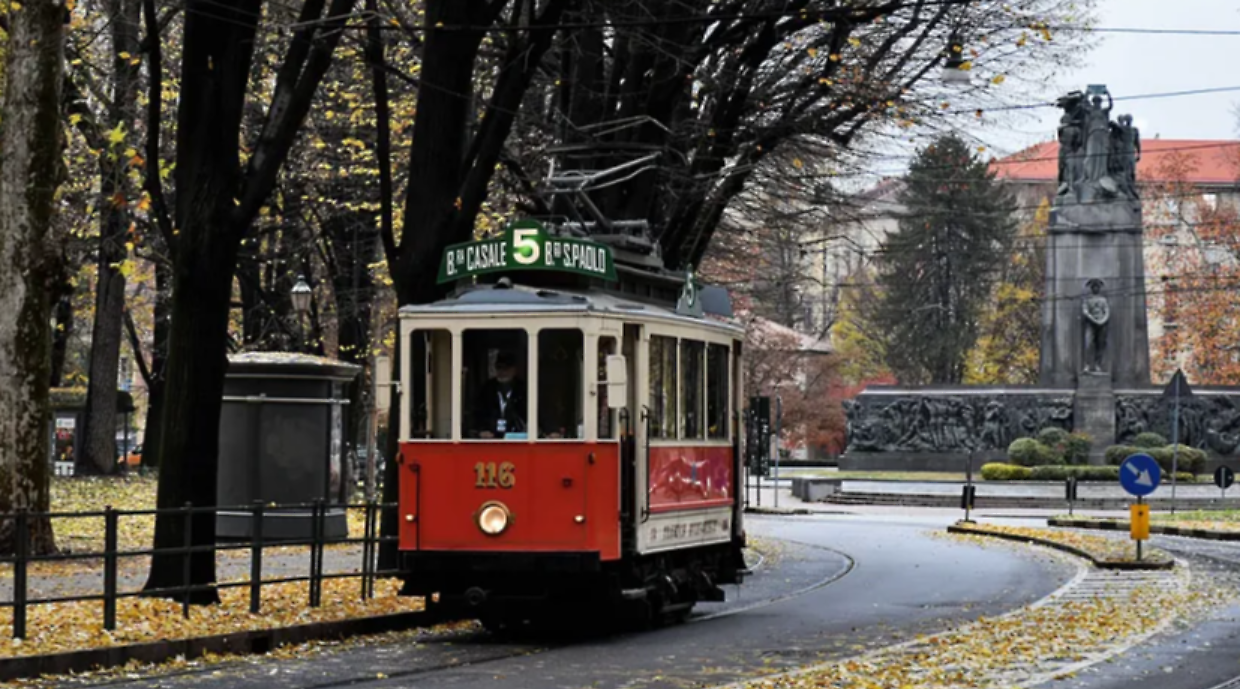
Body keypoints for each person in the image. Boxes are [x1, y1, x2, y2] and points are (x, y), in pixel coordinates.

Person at [474, 350, 528, 439]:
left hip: (516, 438)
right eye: (499, 368)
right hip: (490, 438)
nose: (502, 372)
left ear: (514, 370)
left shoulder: (524, 390)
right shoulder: (487, 389)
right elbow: (478, 413)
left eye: (506, 368)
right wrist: (481, 430)